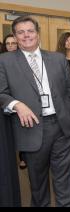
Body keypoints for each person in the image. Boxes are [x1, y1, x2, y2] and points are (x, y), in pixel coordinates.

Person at [0, 16, 70, 207]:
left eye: (30, 31)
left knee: (65, 181)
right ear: (15, 36)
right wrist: (17, 104)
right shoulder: (4, 61)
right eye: (20, 32)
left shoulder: (58, 59)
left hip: (63, 127)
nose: (26, 35)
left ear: (37, 33)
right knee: (38, 184)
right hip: (31, 129)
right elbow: (1, 92)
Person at [1, 34, 27, 170]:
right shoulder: (2, 61)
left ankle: (23, 157)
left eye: (13, 43)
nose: (11, 46)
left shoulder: (23, 60)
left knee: (23, 129)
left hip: (21, 101)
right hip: (5, 103)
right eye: (8, 44)